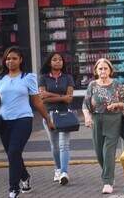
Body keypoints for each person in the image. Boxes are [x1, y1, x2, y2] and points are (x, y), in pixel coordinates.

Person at [0, 46, 54, 198]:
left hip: (23, 119)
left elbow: (37, 101)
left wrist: (47, 119)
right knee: (12, 154)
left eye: (14, 58)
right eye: (8, 58)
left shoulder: (28, 77)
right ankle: (25, 177)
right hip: (3, 122)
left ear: (21, 60)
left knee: (14, 152)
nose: (10, 61)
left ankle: (13, 188)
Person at [82, 58, 124, 194]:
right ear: (96, 71)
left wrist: (117, 105)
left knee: (108, 151)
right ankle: (108, 174)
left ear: (110, 70)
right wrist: (87, 117)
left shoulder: (117, 85)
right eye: (100, 68)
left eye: (105, 68)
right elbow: (85, 104)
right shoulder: (92, 85)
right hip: (97, 120)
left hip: (113, 119)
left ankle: (108, 181)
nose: (103, 71)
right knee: (99, 152)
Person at [38, 52, 75, 185]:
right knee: (55, 146)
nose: (58, 62)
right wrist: (62, 97)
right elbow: (42, 97)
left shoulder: (68, 77)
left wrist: (50, 94)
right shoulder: (43, 78)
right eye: (54, 59)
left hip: (65, 114)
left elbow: (69, 98)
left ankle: (64, 172)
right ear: (49, 62)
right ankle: (58, 169)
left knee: (64, 144)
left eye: (60, 59)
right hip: (49, 115)